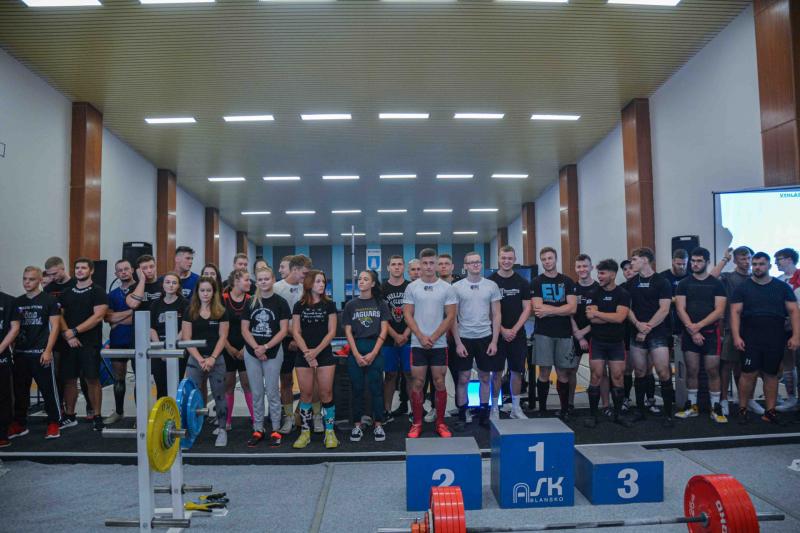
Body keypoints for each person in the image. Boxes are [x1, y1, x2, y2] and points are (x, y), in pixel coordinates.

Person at [730, 252, 800, 425]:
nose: (757, 267)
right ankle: (743, 409)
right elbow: (735, 312)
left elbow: (793, 311)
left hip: (775, 337)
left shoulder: (782, 287)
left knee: (771, 374)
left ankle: (770, 412)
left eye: (761, 264)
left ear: (769, 266)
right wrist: (736, 336)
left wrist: (796, 336)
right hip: (750, 337)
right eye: (754, 264)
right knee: (748, 374)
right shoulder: (743, 288)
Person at [404, 248, 458, 438]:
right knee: (418, 383)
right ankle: (417, 423)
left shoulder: (447, 288)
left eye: (431, 263)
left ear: (436, 264)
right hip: (418, 344)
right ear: (420, 264)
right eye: (424, 263)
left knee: (439, 382)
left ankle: (441, 423)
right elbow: (407, 314)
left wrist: (433, 337)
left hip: (439, 344)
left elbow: (450, 316)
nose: (428, 266)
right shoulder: (412, 288)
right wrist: (420, 336)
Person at [7, 267, 62, 440]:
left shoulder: (49, 300)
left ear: (39, 280)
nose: (27, 282)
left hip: (41, 353)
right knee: (20, 391)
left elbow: (55, 327)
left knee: (48, 390)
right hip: (21, 353)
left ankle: (54, 422)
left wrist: (48, 350)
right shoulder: (17, 302)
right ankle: (20, 423)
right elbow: (12, 328)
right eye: (24, 279)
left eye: (31, 279)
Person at [674, 247, 728, 423]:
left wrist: (698, 326)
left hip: (711, 334)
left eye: (699, 261)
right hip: (690, 333)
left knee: (713, 370)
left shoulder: (717, 284)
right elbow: (680, 308)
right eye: (693, 261)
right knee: (692, 370)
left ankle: (715, 407)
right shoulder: (684, 283)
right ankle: (692, 406)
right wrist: (692, 329)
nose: (695, 264)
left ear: (707, 262)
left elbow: (719, 311)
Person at [451, 252, 502, 429]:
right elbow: (453, 318)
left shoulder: (491, 286)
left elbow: (496, 315)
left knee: (485, 377)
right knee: (463, 378)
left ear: (481, 264)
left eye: (478, 262)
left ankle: (484, 415)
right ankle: (462, 415)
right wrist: (458, 343)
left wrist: (494, 341)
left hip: (485, 337)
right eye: (471, 262)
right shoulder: (456, 287)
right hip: (464, 338)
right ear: (465, 266)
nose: (475, 265)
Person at [241, 266, 290, 447]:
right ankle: (258, 428)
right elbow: (244, 329)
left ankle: (275, 429)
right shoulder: (250, 302)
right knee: (257, 392)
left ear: (273, 279)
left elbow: (284, 330)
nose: (263, 282)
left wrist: (266, 347)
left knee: (272, 391)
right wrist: (256, 348)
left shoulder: (281, 302)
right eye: (260, 279)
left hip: (274, 351)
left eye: (266, 279)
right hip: (252, 352)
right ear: (257, 282)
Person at [627, 248, 675, 427]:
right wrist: (637, 324)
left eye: (634, 259)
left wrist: (646, 328)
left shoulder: (662, 282)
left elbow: (664, 309)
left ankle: (668, 414)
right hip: (637, 332)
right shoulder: (631, 283)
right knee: (640, 372)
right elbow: (627, 308)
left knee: (663, 372)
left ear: (645, 260)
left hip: (657, 333)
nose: (631, 263)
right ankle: (640, 411)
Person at [58, 258, 108, 431]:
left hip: (90, 343)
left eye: (83, 268)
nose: (79, 270)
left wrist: (75, 331)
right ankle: (70, 415)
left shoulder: (98, 291)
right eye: (77, 268)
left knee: (92, 379)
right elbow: (59, 315)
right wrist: (67, 335)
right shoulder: (66, 292)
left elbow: (98, 317)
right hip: (69, 343)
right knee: (69, 379)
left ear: (91, 270)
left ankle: (97, 416)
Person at [291, 270, 339, 449]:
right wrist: (307, 353)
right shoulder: (299, 305)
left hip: (324, 354)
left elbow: (332, 332)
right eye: (318, 281)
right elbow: (296, 332)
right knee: (306, 394)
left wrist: (316, 352)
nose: (322, 284)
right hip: (304, 355)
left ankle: (329, 432)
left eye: (323, 281)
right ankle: (305, 432)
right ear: (309, 283)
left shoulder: (329, 305)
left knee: (326, 393)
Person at [583, 259, 633, 429]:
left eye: (602, 273)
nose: (599, 276)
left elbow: (620, 318)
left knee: (617, 377)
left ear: (612, 274)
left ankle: (618, 415)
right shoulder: (593, 293)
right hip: (597, 341)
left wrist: (599, 314)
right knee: (596, 375)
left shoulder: (623, 294)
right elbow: (591, 318)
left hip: (616, 343)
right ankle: (593, 415)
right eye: (598, 273)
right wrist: (610, 316)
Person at [182, 277, 230, 447]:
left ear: (214, 292)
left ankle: (222, 429)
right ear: (197, 292)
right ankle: (191, 429)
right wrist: (200, 359)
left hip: (216, 359)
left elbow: (223, 337)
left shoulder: (221, 311)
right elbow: (187, 338)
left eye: (209, 290)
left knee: (219, 395)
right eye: (202, 290)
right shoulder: (190, 311)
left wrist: (212, 358)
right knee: (190, 396)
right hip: (196, 359)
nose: (205, 294)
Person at [343, 270, 390, 442]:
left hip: (374, 347)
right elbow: (348, 332)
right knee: (357, 389)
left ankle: (378, 424)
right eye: (360, 279)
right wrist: (356, 354)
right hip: (356, 348)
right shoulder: (351, 305)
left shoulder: (381, 303)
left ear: (373, 283)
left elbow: (384, 330)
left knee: (376, 389)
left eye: (365, 279)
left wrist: (374, 353)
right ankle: (357, 425)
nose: (361, 281)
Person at [531, 247, 577, 419]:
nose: (547, 261)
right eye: (544, 259)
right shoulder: (536, 282)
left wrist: (549, 310)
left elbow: (573, 308)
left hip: (564, 333)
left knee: (563, 372)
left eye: (550, 258)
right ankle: (542, 409)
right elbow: (538, 309)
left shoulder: (567, 281)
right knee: (544, 372)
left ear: (556, 259)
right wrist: (561, 309)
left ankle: (564, 409)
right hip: (543, 333)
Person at [489, 245, 532, 420]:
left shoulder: (522, 282)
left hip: (517, 335)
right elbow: (488, 311)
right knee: (496, 373)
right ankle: (494, 408)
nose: (506, 261)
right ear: (499, 259)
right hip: (496, 335)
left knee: (516, 372)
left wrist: (514, 330)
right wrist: (502, 330)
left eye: (510, 258)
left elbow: (527, 308)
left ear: (514, 260)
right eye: (503, 258)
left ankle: (515, 408)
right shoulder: (490, 282)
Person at [710, 246, 753, 416]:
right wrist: (725, 259)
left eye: (748, 258)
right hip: (730, 327)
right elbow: (711, 278)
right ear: (735, 260)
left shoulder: (755, 277)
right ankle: (723, 399)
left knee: (747, 368)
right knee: (727, 365)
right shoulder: (728, 277)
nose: (746, 262)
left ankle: (746, 400)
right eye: (742, 258)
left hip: (752, 328)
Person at [274, 254, 311, 434]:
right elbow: (276, 319)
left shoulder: (307, 289)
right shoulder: (276, 288)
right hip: (284, 340)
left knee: (308, 383)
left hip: (304, 339)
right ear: (294, 269)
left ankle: (299, 415)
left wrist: (300, 339)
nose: (306, 277)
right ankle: (288, 417)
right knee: (286, 380)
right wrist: (292, 337)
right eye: (304, 273)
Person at [43, 256, 81, 418]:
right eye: (49, 274)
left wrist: (71, 332)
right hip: (56, 338)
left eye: (55, 273)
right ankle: (59, 410)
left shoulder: (76, 284)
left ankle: (80, 411)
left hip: (75, 333)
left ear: (63, 268)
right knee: (57, 375)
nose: (52, 277)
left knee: (75, 376)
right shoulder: (48, 289)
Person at [221, 269, 255, 431]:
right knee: (228, 385)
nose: (250, 283)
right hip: (226, 347)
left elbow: (253, 327)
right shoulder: (223, 299)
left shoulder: (251, 300)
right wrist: (229, 348)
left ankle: (256, 421)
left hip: (246, 348)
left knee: (247, 383)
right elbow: (219, 328)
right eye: (247, 280)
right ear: (236, 281)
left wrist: (245, 348)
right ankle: (226, 422)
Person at [571, 254, 605, 415]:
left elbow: (601, 315)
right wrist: (578, 335)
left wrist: (583, 333)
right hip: (575, 334)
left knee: (599, 372)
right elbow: (569, 315)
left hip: (595, 334)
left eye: (585, 266)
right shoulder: (572, 288)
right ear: (575, 269)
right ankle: (569, 405)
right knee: (571, 370)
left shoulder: (599, 289)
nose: (582, 269)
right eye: (579, 266)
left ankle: (605, 406)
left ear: (591, 267)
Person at [103, 259, 134, 425]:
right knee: (119, 379)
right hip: (118, 339)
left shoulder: (140, 290)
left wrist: (118, 319)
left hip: (137, 339)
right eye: (120, 270)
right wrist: (131, 312)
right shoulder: (112, 295)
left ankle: (140, 415)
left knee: (140, 379)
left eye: (126, 269)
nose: (123, 272)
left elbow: (140, 318)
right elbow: (108, 318)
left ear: (132, 270)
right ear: (116, 274)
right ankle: (119, 412)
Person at [148, 272, 189, 398]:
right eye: (168, 282)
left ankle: (176, 409)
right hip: (159, 347)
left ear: (178, 286)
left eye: (174, 283)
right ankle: (163, 410)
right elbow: (151, 328)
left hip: (178, 346)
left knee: (175, 384)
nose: (171, 285)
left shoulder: (184, 303)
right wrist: (160, 349)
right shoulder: (155, 304)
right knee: (161, 386)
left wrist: (172, 346)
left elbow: (185, 327)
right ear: (163, 285)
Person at [381, 256, 412, 422]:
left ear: (404, 267)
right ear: (388, 268)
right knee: (390, 375)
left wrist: (405, 335)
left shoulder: (410, 287)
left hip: (409, 337)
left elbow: (415, 314)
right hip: (388, 339)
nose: (397, 267)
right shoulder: (382, 288)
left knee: (410, 374)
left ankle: (414, 411)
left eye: (400, 264)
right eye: (393, 264)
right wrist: (395, 335)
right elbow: (381, 317)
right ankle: (387, 410)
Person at [660, 248, 689, 413]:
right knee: (664, 364)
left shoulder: (690, 276)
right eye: (679, 264)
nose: (682, 267)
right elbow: (661, 301)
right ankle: (668, 393)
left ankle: (685, 395)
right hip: (665, 325)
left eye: (684, 264)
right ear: (673, 261)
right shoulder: (663, 277)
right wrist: (676, 300)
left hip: (684, 325)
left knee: (684, 364)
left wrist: (674, 300)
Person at [774, 247, 799, 412]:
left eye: (779, 259)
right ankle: (791, 398)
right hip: (783, 327)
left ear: (789, 259)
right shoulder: (778, 280)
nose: (776, 263)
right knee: (787, 362)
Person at [620, 259, 636, 409]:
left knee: (645, 369)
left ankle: (649, 399)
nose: (628, 271)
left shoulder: (644, 285)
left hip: (644, 329)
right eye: (625, 269)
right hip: (626, 331)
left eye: (630, 268)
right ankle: (625, 398)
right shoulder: (621, 289)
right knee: (627, 368)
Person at [0, 286, 14, 446]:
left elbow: (14, 328)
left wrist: (1, 348)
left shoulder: (8, 301)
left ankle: (3, 432)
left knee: (3, 395)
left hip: (2, 357)